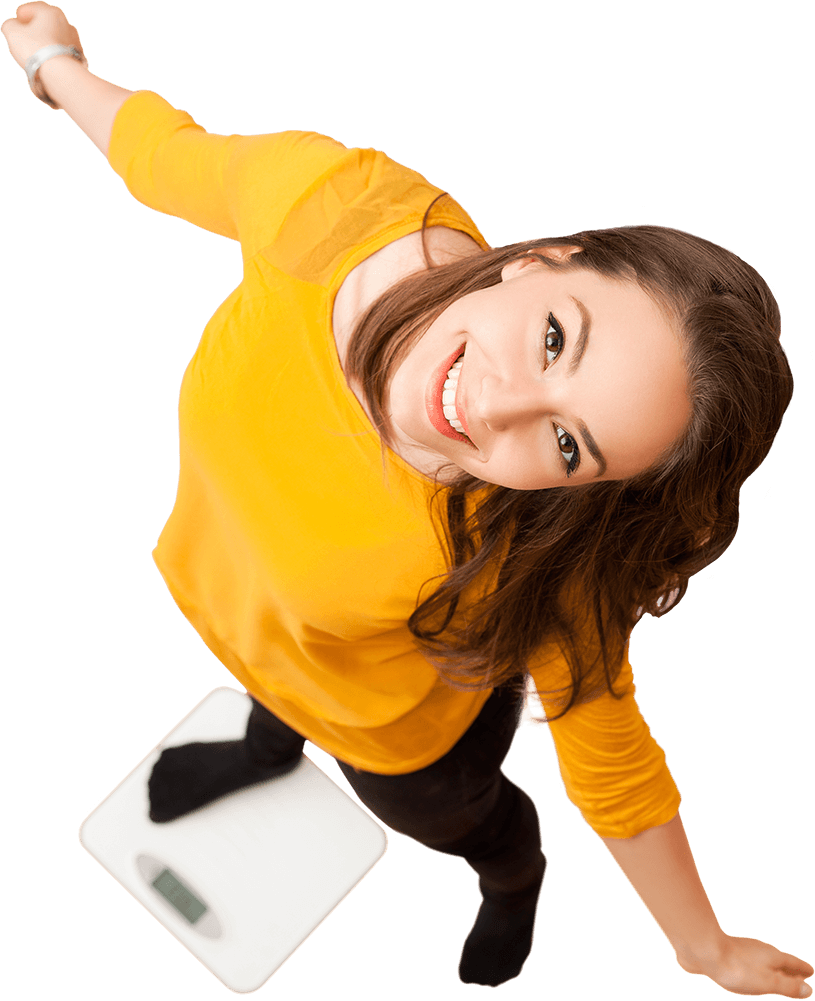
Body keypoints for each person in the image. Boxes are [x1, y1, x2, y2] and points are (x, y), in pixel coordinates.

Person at [5, 4, 810, 995]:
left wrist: (700, 945)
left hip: (404, 735)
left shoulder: (530, 549)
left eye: (565, 442)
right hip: (249, 616)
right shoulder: (328, 206)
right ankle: (271, 731)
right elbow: (166, 155)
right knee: (290, 663)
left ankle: (514, 878)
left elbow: (616, 773)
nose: (494, 405)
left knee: (460, 824)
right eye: (554, 338)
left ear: (579, 488)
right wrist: (55, 67)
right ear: (543, 257)